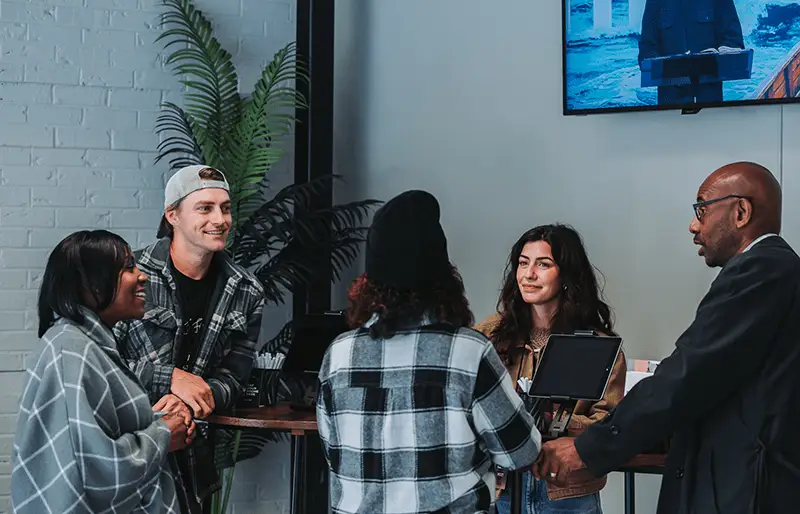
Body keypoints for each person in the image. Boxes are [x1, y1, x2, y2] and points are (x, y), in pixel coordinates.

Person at [534, 162, 800, 513]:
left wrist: (589, 448)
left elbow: (689, 375)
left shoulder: (760, 270)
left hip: (745, 491)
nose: (693, 225)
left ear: (741, 212)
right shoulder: (778, 271)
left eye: (702, 210)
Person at [315, 190, 542, 514]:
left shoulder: (339, 354)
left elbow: (333, 451)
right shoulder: (468, 352)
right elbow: (520, 451)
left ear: (368, 281)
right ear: (444, 278)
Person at [114, 165, 265, 513]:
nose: (220, 219)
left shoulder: (247, 290)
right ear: (173, 215)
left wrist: (193, 400)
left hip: (193, 458)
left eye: (225, 208)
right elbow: (98, 365)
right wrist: (170, 379)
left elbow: (236, 377)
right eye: (205, 208)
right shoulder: (129, 274)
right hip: (126, 451)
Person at [12, 230, 195, 514]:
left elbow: (94, 435)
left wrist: (158, 418)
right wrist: (163, 434)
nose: (142, 276)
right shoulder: (71, 351)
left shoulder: (87, 344)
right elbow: (93, 467)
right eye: (128, 268)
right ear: (91, 286)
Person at [475, 224, 626, 514]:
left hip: (568, 493)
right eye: (523, 263)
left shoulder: (595, 344)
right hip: (502, 490)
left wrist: (556, 422)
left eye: (543, 264)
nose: (529, 274)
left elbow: (610, 425)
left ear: (567, 275)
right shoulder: (488, 335)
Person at [638, 0, 744, 105]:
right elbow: (647, 48)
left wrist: (723, 52)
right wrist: (667, 68)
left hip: (710, 105)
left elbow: (733, 40)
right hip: (670, 106)